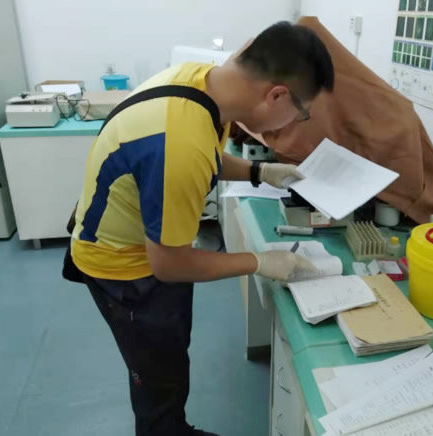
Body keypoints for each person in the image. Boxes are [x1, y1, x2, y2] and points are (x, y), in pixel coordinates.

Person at [70, 21, 334, 436]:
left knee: (168, 360)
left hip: (128, 238)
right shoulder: (179, 142)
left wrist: (258, 171)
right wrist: (260, 261)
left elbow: (204, 154)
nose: (296, 121)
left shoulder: (202, 82)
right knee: (158, 375)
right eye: (301, 112)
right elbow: (170, 265)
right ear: (277, 95)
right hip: (125, 272)